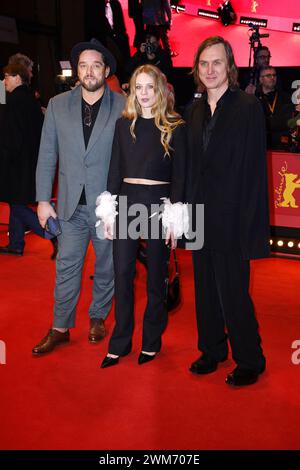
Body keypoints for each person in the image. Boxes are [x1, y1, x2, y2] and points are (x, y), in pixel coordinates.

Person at [185, 36, 270, 387]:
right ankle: (212, 350)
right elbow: (190, 167)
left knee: (233, 291)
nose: (210, 69)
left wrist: (249, 225)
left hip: (233, 216)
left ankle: (250, 359)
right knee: (203, 289)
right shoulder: (193, 111)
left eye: (216, 62)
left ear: (230, 67)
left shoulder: (248, 107)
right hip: (199, 216)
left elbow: (253, 171)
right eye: (204, 63)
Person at [32, 39, 125, 355]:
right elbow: (47, 155)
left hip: (108, 207)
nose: (89, 71)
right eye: (83, 65)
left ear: (106, 70)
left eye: (96, 65)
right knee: (66, 267)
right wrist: (43, 200)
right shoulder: (58, 106)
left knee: (106, 267)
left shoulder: (123, 106)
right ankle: (60, 327)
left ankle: (98, 316)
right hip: (70, 207)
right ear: (76, 70)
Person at [96, 64, 187, 368]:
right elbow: (114, 169)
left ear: (159, 90)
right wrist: (107, 210)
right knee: (122, 274)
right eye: (139, 87)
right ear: (132, 91)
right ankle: (120, 342)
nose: (144, 93)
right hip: (126, 200)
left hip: (160, 204)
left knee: (156, 278)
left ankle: (151, 341)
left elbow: (181, 176)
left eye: (150, 87)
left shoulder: (175, 125)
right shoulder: (124, 125)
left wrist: (176, 217)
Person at [0, 64, 54, 257]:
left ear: (17, 78)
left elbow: (10, 137)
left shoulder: (13, 101)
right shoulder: (30, 100)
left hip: (15, 163)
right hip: (31, 161)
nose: (4, 80)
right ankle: (15, 243)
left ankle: (52, 234)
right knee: (17, 202)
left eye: (6, 76)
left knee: (17, 205)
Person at [257, 65, 294, 149]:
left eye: (274, 75)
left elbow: (288, 121)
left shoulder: (286, 97)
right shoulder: (254, 99)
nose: (272, 77)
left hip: (282, 144)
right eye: (268, 75)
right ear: (261, 79)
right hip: (262, 144)